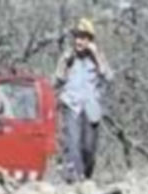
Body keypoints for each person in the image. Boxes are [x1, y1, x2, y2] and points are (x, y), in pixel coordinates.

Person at [54, 17, 113, 182]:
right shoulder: (67, 56)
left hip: (91, 107)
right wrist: (64, 63)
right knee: (73, 144)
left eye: (83, 37)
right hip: (71, 105)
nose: (79, 41)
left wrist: (97, 55)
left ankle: (86, 175)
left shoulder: (97, 57)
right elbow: (57, 79)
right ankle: (76, 178)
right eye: (77, 37)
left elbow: (108, 76)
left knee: (88, 147)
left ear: (90, 40)